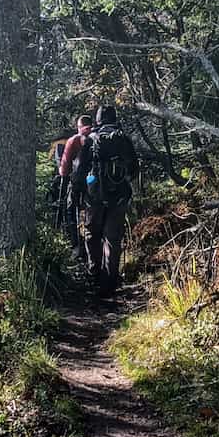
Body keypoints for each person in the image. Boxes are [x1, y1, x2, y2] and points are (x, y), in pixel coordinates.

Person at [79, 106, 139, 298]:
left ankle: (94, 273)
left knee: (92, 233)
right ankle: (110, 280)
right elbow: (134, 170)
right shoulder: (123, 139)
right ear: (114, 118)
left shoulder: (90, 140)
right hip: (119, 196)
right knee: (113, 239)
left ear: (97, 121)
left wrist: (81, 192)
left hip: (94, 197)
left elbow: (79, 170)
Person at [57, 114, 94, 260]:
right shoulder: (97, 138)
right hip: (96, 183)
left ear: (79, 127)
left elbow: (64, 168)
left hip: (78, 183)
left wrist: (62, 170)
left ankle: (76, 246)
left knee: (71, 210)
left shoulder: (74, 140)